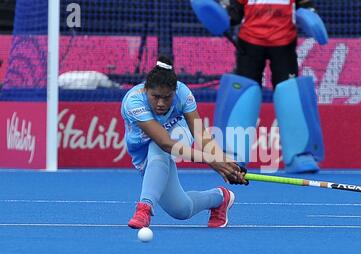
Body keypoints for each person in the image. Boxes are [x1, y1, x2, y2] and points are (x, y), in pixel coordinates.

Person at [121, 56, 247, 229]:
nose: (160, 103)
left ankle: (144, 208)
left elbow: (200, 135)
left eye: (167, 98)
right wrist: (212, 161)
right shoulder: (134, 102)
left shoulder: (183, 94)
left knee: (157, 149)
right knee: (181, 209)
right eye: (155, 97)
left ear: (175, 91)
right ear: (145, 90)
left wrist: (225, 165)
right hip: (148, 148)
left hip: (177, 131)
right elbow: (165, 142)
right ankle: (220, 198)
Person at [214, 0, 325, 173]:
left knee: (290, 91)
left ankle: (300, 154)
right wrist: (224, 14)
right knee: (244, 91)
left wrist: (311, 16)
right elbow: (234, 13)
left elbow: (306, 7)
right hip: (250, 43)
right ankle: (232, 153)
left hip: (284, 43)